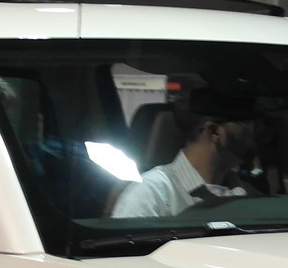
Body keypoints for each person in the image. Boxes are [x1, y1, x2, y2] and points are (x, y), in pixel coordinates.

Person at [111, 89, 264, 217]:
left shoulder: (249, 195)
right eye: (247, 124)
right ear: (213, 131)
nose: (255, 132)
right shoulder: (151, 194)